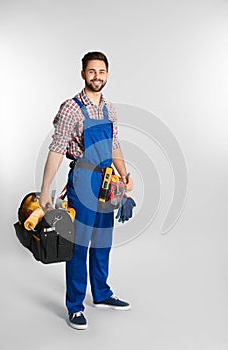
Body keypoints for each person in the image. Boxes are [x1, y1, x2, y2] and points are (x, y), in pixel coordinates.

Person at [39, 51, 134, 330]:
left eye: (101, 72)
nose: (97, 77)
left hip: (107, 182)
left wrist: (124, 175)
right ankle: (75, 305)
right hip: (82, 180)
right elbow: (57, 149)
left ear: (107, 74)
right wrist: (45, 190)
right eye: (92, 71)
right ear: (83, 74)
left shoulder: (110, 109)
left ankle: (102, 294)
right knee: (79, 245)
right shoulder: (71, 108)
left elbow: (114, 145)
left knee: (103, 240)